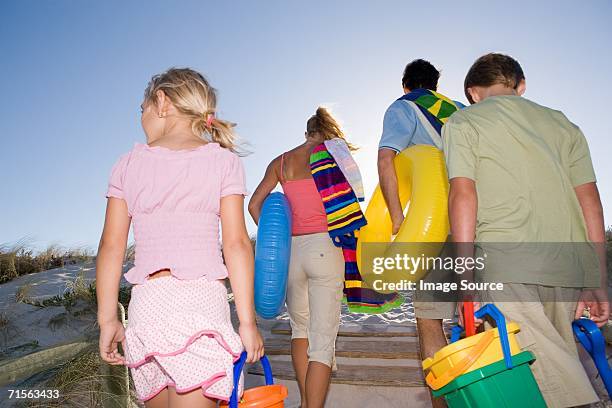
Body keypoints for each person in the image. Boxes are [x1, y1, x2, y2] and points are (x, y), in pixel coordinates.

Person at [444, 53, 607, 407]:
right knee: (552, 366)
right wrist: (596, 279)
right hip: (568, 267)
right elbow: (591, 202)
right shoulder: (564, 124)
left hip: (507, 262)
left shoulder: (463, 122)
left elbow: (462, 195)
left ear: (472, 92)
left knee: (546, 380)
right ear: (520, 86)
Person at [96, 68, 263, 408]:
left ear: (162, 102)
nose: (141, 117)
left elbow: (111, 248)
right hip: (200, 305)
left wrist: (107, 318)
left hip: (148, 308)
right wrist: (247, 321)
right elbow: (236, 245)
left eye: (141, 108)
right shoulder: (223, 161)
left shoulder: (127, 164)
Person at [248, 107, 351, 408]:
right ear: (327, 132)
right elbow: (350, 206)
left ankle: (306, 402)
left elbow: (255, 205)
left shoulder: (280, 162)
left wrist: (274, 242)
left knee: (300, 330)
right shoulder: (333, 157)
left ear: (306, 132)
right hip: (326, 247)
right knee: (322, 340)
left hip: (290, 253)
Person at [377, 59, 463, 408]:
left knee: (430, 321)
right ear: (436, 84)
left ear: (405, 84)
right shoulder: (459, 110)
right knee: (485, 313)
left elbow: (387, 160)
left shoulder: (403, 107)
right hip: (479, 221)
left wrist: (397, 217)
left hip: (437, 227)